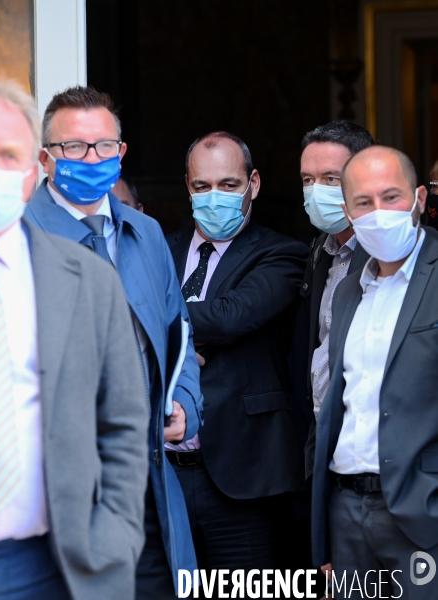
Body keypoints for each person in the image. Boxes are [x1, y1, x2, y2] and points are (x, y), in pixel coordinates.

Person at [0, 77, 149, 600]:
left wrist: (113, 538)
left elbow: (123, 423)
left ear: (32, 173)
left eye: (9, 155)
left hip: (57, 570)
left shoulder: (89, 281)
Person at [24, 85, 203, 600]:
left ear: (121, 152)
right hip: (55, 502)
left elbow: (179, 336)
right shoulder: (16, 242)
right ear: (45, 158)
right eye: (74, 147)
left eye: (104, 146)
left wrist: (186, 403)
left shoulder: (147, 235)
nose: (91, 157)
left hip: (147, 494)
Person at [166, 131, 308, 597]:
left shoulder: (281, 254)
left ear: (255, 184)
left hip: (243, 479)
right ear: (187, 186)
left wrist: (162, 326)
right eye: (202, 186)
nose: (215, 197)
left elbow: (231, 318)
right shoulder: (158, 250)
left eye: (229, 184)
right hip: (163, 473)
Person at [312, 145, 438, 599]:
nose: (379, 213)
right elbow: (336, 406)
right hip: (347, 513)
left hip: (422, 516)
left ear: (420, 199)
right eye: (364, 203)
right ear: (348, 212)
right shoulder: (348, 290)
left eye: (392, 197)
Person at [298, 121, 374, 482]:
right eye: (307, 180)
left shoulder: (388, 257)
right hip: (326, 455)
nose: (316, 191)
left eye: (330, 179)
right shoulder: (321, 252)